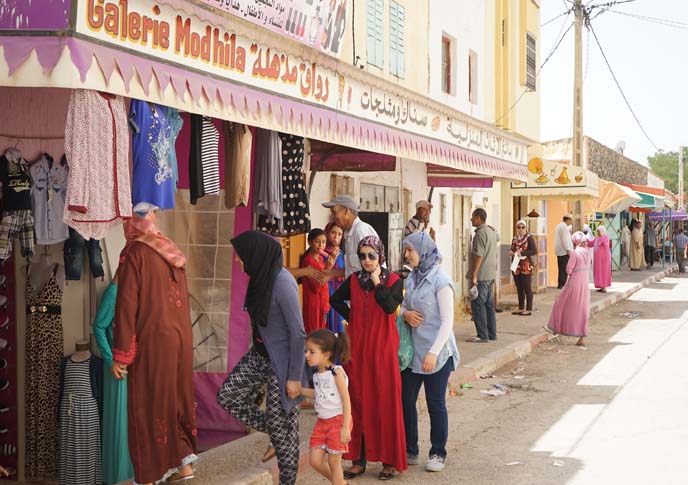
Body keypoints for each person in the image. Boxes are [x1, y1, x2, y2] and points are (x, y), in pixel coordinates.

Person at [112, 212, 197, 484]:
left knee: (145, 404)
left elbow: (126, 306)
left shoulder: (134, 253)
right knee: (174, 400)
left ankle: (148, 477)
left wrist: (121, 354)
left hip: (152, 342)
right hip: (179, 339)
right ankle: (185, 469)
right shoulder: (170, 250)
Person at [216, 231, 306, 485]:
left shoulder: (283, 283)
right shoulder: (261, 278)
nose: (237, 261)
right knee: (227, 396)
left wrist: (294, 378)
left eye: (241, 256)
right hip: (261, 356)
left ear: (255, 256)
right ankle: (278, 432)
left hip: (284, 364)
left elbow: (298, 334)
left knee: (284, 434)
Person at [330, 236, 407, 480]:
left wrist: (376, 283)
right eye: (362, 255)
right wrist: (351, 317)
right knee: (358, 401)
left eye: (371, 256)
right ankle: (358, 460)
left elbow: (389, 307)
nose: (366, 260)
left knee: (384, 402)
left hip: (382, 349)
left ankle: (388, 462)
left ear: (380, 256)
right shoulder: (354, 280)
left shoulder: (394, 280)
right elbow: (335, 299)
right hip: (358, 349)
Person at [400, 232, 459, 473]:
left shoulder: (441, 281)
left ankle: (437, 452)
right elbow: (403, 305)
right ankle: (409, 449)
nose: (407, 255)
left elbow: (447, 322)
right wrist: (405, 314)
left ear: (423, 251)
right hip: (414, 351)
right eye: (406, 250)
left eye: (410, 250)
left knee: (436, 403)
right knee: (405, 400)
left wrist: (433, 353)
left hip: (437, 353)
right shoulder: (412, 278)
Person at [302, 329, 352, 485]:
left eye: (311, 352)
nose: (306, 355)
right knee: (315, 461)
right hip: (321, 423)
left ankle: (338, 482)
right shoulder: (316, 374)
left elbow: (346, 400)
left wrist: (345, 427)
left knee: (334, 462)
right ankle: (341, 483)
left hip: (338, 422)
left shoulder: (336, 373)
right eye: (307, 351)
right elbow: (318, 393)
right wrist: (300, 390)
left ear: (326, 354)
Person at [547, 231, 592, 346]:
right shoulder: (588, 253)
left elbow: (568, 269)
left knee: (561, 302)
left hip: (574, 282)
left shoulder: (575, 253)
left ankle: (556, 327)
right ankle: (582, 337)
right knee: (582, 309)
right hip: (585, 284)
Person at [322, 195, 379, 277]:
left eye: (334, 212)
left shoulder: (361, 231)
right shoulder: (348, 234)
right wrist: (331, 274)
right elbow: (353, 270)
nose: (333, 217)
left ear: (347, 211)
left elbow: (373, 269)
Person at [465, 208, 498, 343]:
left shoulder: (480, 234)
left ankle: (482, 335)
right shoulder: (491, 232)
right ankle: (491, 333)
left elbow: (478, 255)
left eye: (473, 217)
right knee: (489, 305)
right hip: (490, 274)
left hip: (482, 275)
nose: (471, 219)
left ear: (478, 218)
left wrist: (474, 275)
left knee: (478, 304)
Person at [301, 228, 333, 334]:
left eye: (323, 242)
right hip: (314, 304)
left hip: (322, 303)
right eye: (317, 241)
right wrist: (328, 268)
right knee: (315, 333)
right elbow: (316, 287)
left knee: (321, 331)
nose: (321, 245)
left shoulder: (319, 259)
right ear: (309, 242)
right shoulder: (308, 262)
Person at [508, 220, 537, 316]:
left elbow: (534, 251)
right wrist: (511, 252)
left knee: (527, 287)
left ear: (525, 228)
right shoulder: (514, 239)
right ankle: (521, 307)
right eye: (519, 227)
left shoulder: (529, 238)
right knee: (519, 287)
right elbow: (512, 248)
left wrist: (523, 253)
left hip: (525, 265)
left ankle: (529, 308)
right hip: (516, 265)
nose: (520, 229)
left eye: (522, 227)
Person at [324, 222, 346, 334]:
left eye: (339, 234)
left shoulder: (341, 253)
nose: (336, 237)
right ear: (327, 233)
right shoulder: (323, 252)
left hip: (340, 290)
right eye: (333, 233)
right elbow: (323, 272)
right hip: (329, 289)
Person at [554, 214, 574, 289]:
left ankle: (561, 284)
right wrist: (568, 249)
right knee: (564, 269)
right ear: (568, 220)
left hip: (560, 251)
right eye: (571, 220)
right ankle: (562, 284)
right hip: (564, 251)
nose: (571, 222)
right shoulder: (564, 227)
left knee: (561, 268)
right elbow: (565, 240)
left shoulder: (559, 226)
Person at [593, 226, 612, 293]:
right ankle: (601, 286)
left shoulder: (605, 237)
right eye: (597, 231)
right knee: (599, 272)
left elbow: (606, 245)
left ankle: (604, 287)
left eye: (599, 231)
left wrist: (602, 237)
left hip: (604, 259)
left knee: (603, 272)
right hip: (598, 260)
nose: (598, 232)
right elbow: (591, 243)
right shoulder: (597, 238)